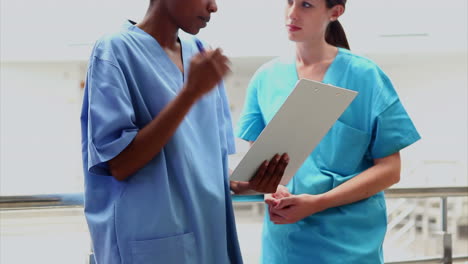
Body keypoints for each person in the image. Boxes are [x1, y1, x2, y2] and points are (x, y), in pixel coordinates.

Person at [80, 0, 287, 263]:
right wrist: (189, 93)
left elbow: (207, 163)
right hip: (152, 241)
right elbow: (120, 163)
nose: (214, 7)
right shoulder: (114, 50)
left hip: (210, 238)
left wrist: (244, 184)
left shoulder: (202, 54)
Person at [235, 0, 421, 263]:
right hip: (286, 243)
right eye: (289, 2)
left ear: (335, 12)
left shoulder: (365, 76)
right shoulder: (265, 79)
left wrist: (318, 202)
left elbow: (390, 169)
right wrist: (272, 191)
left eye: (306, 5)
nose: (292, 13)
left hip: (349, 246)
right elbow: (262, 168)